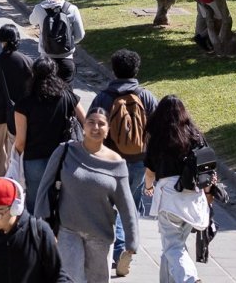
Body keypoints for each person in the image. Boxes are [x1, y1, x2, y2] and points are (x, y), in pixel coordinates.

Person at [35, 108, 138, 282]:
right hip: (68, 230)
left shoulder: (117, 163)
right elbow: (45, 187)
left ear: (108, 130)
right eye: (91, 122)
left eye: (101, 124)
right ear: (84, 126)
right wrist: (41, 223)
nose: (95, 127)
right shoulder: (65, 151)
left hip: (100, 235)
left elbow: (126, 204)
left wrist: (131, 240)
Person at [87, 50, 157, 273]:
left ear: (114, 69)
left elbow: (91, 128)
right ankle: (128, 246)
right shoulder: (146, 97)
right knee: (131, 205)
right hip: (138, 160)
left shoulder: (103, 98)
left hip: (109, 161)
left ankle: (118, 251)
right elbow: (156, 130)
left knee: (111, 207)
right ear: (136, 70)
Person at [142, 96, 213, 283]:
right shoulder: (195, 135)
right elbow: (207, 168)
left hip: (170, 199)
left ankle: (190, 279)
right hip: (193, 198)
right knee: (175, 246)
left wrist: (148, 187)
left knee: (173, 246)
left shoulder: (158, 138)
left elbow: (150, 172)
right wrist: (208, 194)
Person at [14, 58, 85, 202]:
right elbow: (86, 121)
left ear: (33, 74)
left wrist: (15, 158)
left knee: (35, 203)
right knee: (63, 202)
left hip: (35, 159)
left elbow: (20, 141)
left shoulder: (24, 103)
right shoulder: (68, 97)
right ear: (55, 73)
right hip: (64, 159)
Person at [0, 24, 34, 178]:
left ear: (1, 41)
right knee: (15, 151)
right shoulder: (27, 62)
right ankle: (14, 180)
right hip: (20, 114)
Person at [29, 0, 85, 82]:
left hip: (46, 60)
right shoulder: (72, 9)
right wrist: (67, 42)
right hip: (66, 59)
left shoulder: (39, 8)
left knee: (45, 89)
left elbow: (32, 21)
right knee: (66, 91)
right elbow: (80, 35)